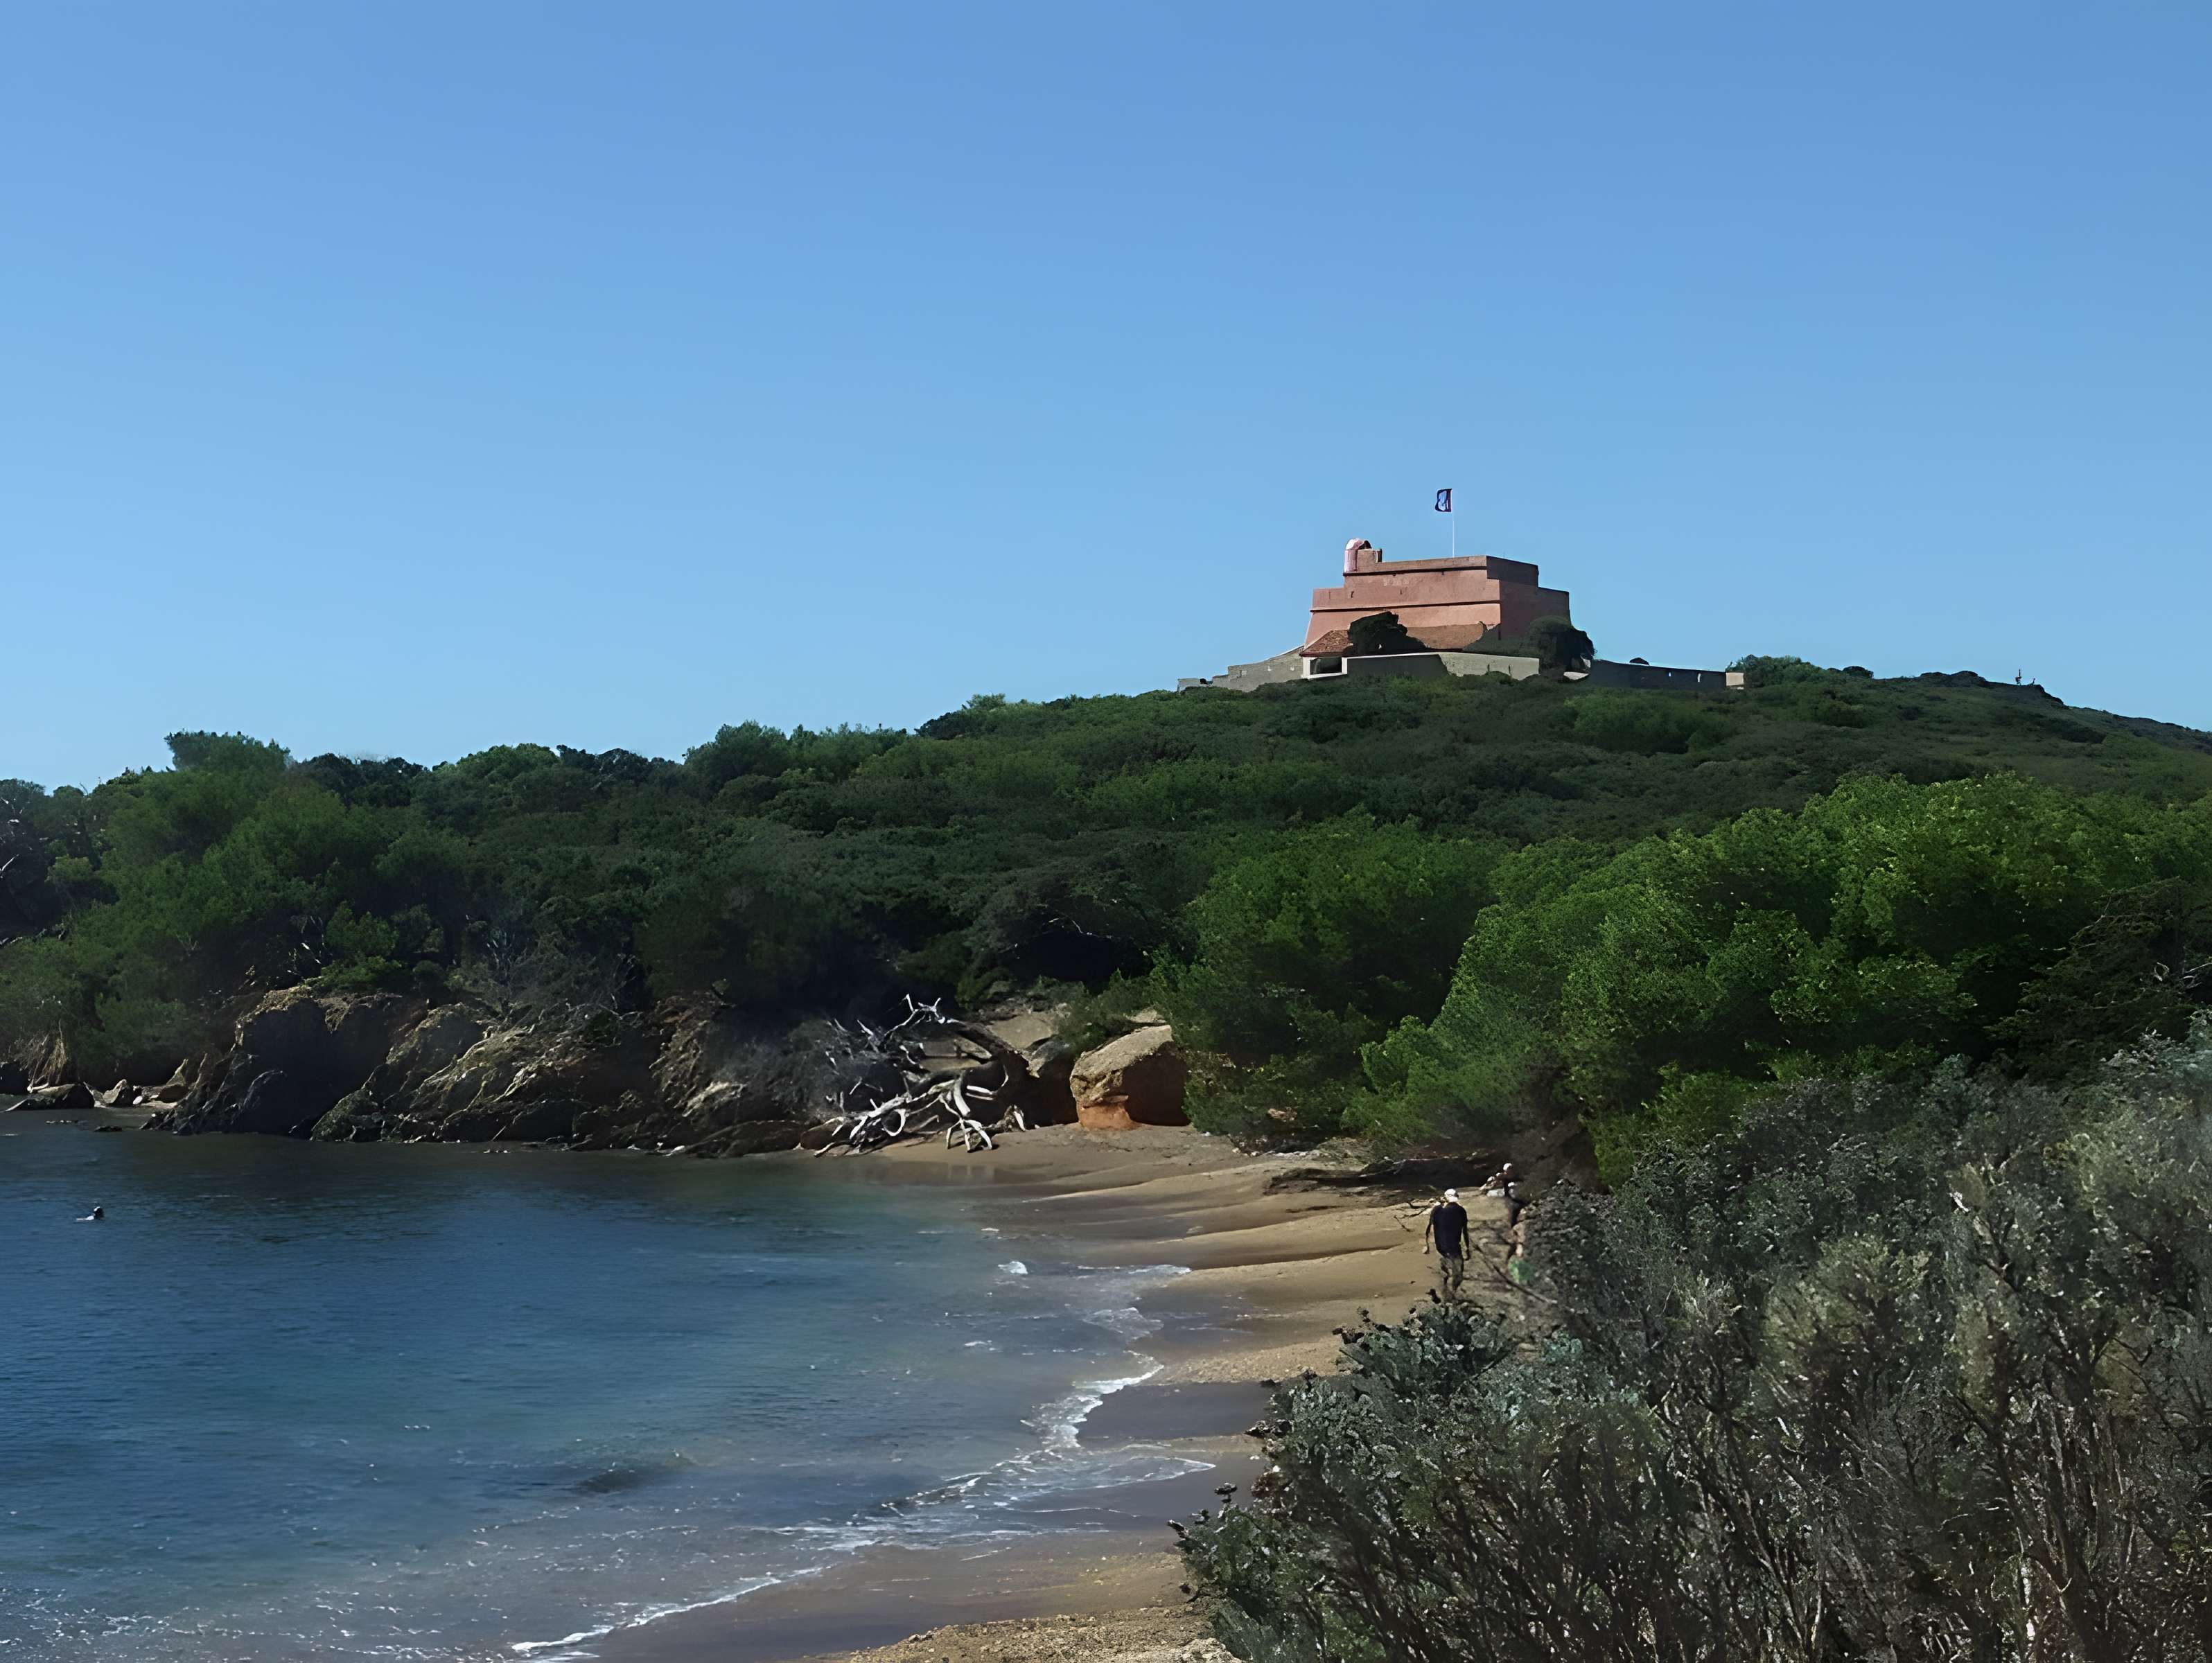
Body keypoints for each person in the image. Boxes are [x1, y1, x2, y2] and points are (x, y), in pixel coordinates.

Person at [1424, 1187, 1470, 1298]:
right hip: (1453, 1245)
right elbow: (1465, 1232)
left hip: (1440, 1245)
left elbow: (1429, 1228)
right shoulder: (1461, 1210)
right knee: (1458, 1268)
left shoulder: (1436, 1210)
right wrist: (1467, 1249)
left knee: (1448, 1262)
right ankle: (1453, 1292)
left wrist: (1427, 1246)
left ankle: (1445, 1282)